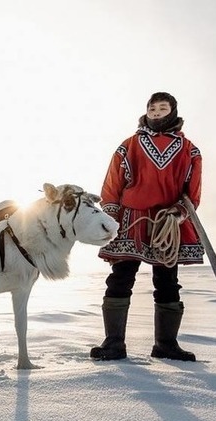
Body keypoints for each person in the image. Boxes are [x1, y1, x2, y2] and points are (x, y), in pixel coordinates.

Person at [90, 91, 204, 362]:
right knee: (120, 278)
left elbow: (193, 189)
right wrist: (112, 215)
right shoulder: (129, 145)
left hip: (167, 222)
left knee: (167, 282)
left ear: (172, 112)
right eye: (152, 108)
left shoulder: (190, 150)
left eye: (162, 108)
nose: (156, 112)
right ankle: (113, 344)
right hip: (131, 219)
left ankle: (166, 345)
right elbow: (113, 182)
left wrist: (179, 214)